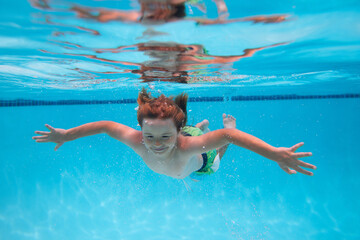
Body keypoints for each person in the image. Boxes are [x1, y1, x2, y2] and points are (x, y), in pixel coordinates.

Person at [32, 88, 316, 179]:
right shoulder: (138, 139)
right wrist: (66, 135)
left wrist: (273, 153)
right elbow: (106, 126)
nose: (155, 146)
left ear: (177, 132)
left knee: (217, 155)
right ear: (140, 130)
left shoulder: (186, 146)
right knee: (199, 137)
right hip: (188, 133)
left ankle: (207, 129)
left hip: (200, 160)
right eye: (150, 136)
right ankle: (201, 128)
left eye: (165, 138)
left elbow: (229, 139)